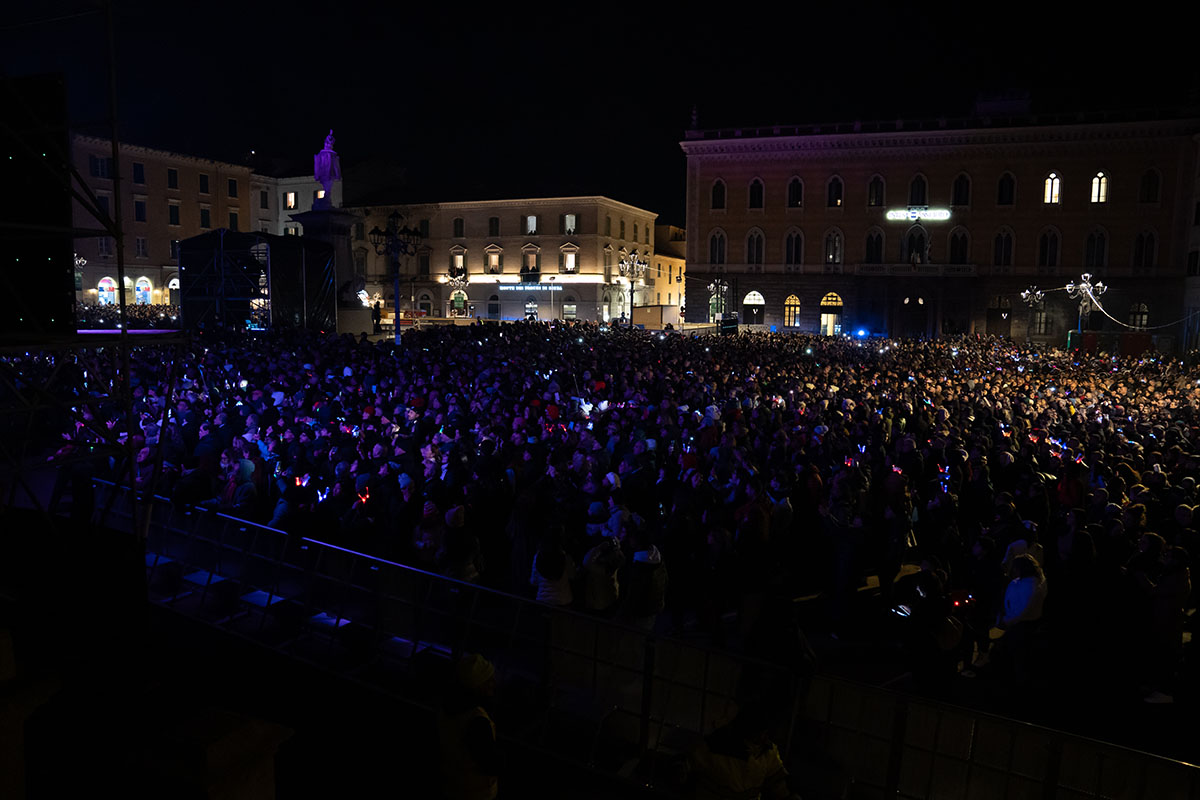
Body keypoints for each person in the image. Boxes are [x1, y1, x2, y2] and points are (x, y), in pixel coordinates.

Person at [687, 706, 795, 800]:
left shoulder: (767, 751)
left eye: (765, 732)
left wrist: (788, 796)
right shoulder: (716, 745)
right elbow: (688, 768)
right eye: (760, 731)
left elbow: (777, 783)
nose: (764, 736)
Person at [437, 653, 500, 800]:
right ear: (478, 685)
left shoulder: (446, 707)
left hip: (452, 785)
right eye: (489, 679)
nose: (494, 682)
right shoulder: (477, 720)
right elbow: (489, 762)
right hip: (478, 792)